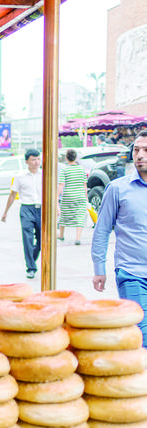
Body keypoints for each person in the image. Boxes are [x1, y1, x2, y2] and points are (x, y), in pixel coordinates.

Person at [92, 130, 147, 345]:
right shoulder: (117, 188)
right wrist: (99, 269)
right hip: (131, 272)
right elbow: (102, 230)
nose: (140, 155)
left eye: (145, 150)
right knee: (141, 334)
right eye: (136, 150)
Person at [1, 149, 42, 279]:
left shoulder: (45, 175)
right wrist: (5, 212)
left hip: (42, 209)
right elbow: (12, 194)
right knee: (28, 239)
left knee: (42, 241)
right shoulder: (20, 176)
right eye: (33, 160)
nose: (36, 162)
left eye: (38, 159)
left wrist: (56, 207)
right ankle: (31, 267)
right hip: (26, 209)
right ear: (27, 161)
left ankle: (32, 259)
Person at [57, 149, 88, 245]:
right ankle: (77, 238)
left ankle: (61, 235)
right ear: (75, 158)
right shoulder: (81, 169)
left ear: (66, 158)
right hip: (80, 196)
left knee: (64, 215)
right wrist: (86, 197)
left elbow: (61, 184)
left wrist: (56, 196)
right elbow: (84, 185)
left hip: (68, 196)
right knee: (80, 216)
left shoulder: (65, 169)